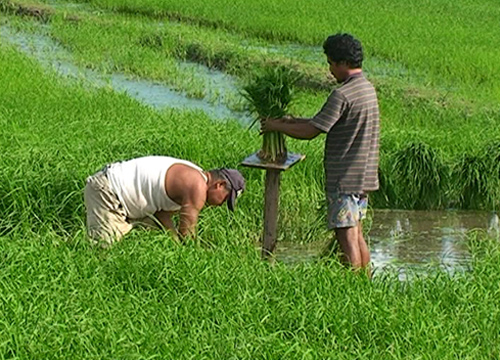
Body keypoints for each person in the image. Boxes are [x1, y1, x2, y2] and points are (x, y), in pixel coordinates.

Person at [261, 33, 380, 272]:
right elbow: (321, 121)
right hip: (363, 178)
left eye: (331, 64)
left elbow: (312, 131)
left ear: (343, 63)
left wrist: (275, 126)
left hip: (343, 178)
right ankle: (365, 283)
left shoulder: (342, 94)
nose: (330, 70)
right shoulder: (367, 89)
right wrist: (289, 121)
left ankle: (352, 287)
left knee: (345, 238)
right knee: (357, 234)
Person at [84, 155, 245, 247]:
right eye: (224, 199)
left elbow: (162, 215)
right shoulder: (197, 186)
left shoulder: (193, 176)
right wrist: (193, 256)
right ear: (220, 185)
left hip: (120, 198)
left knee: (151, 232)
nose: (220, 205)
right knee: (102, 250)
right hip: (107, 192)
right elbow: (187, 232)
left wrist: (174, 242)